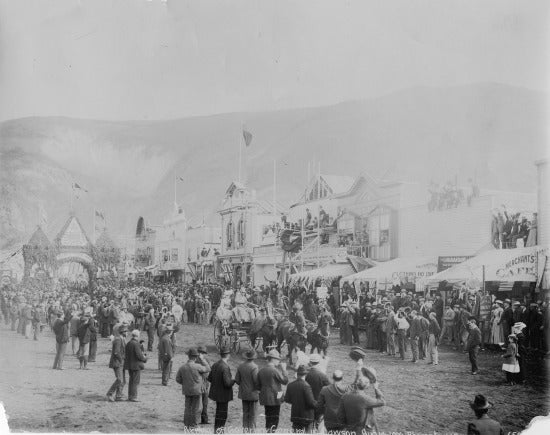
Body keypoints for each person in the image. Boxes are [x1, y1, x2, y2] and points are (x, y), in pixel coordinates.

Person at [176, 348, 210, 430]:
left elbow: (178, 379)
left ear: (188, 356)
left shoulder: (182, 367)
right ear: (195, 357)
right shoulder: (198, 366)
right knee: (197, 408)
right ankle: (194, 425)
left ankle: (186, 425)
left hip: (187, 390)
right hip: (197, 391)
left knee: (187, 408)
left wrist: (186, 384)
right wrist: (203, 360)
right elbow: (208, 368)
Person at [257, 349, 288, 433]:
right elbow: (285, 381)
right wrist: (284, 370)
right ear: (273, 359)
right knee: (275, 417)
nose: (278, 361)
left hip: (265, 398)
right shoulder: (275, 370)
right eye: (278, 359)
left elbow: (258, 386)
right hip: (275, 398)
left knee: (268, 416)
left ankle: (268, 432)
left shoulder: (261, 370)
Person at [208, 346, 235, 433]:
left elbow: (209, 378)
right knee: (223, 415)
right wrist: (233, 380)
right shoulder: (225, 367)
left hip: (216, 394)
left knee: (218, 413)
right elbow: (227, 383)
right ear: (228, 355)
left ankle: (216, 431)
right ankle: (220, 432)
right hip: (223, 395)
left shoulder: (215, 364)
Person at [284, 365, 317, 433]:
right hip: (307, 417)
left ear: (297, 374)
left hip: (295, 415)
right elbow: (311, 403)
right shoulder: (306, 386)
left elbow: (287, 399)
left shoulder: (290, 385)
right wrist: (319, 404)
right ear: (306, 374)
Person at [235, 349, 260, 433]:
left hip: (244, 394)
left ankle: (245, 432)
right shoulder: (254, 367)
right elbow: (256, 382)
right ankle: (252, 432)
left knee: (245, 414)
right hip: (253, 395)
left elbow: (237, 380)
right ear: (254, 358)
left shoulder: (240, 366)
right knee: (253, 416)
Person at [305, 353, 329, 428]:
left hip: (308, 402)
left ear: (310, 363)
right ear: (318, 363)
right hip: (319, 402)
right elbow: (329, 387)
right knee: (319, 423)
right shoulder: (322, 375)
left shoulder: (306, 374)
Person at [124, 329, 147, 402]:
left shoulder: (129, 343)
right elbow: (139, 355)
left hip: (130, 364)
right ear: (137, 336)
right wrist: (145, 358)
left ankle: (130, 396)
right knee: (135, 382)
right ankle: (133, 396)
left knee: (131, 381)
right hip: (136, 365)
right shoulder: (136, 344)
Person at [106, 325, 127, 402]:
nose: (127, 333)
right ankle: (109, 394)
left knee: (123, 380)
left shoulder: (122, 339)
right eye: (126, 331)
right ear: (122, 332)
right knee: (119, 379)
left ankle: (119, 395)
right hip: (117, 362)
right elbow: (116, 352)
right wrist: (121, 360)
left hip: (120, 362)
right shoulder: (118, 340)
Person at [197, 345, 212, 425]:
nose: (201, 354)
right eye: (201, 352)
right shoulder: (205, 360)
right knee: (202, 402)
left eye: (202, 353)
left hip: (202, 383)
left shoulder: (195, 360)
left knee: (203, 402)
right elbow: (210, 369)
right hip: (202, 383)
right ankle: (203, 419)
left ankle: (203, 419)